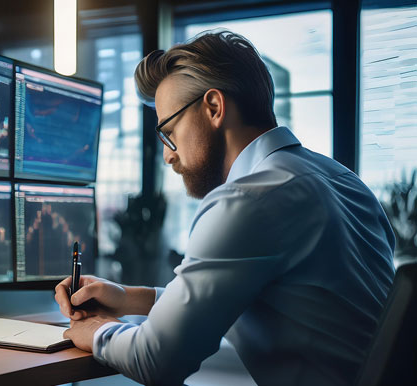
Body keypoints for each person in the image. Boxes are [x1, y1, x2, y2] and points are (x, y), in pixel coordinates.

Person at [54, 30, 396, 386]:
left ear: (214, 107)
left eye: (169, 131)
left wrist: (96, 330)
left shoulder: (248, 199)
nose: (169, 154)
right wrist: (127, 298)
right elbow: (225, 292)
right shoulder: (344, 181)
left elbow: (155, 359)